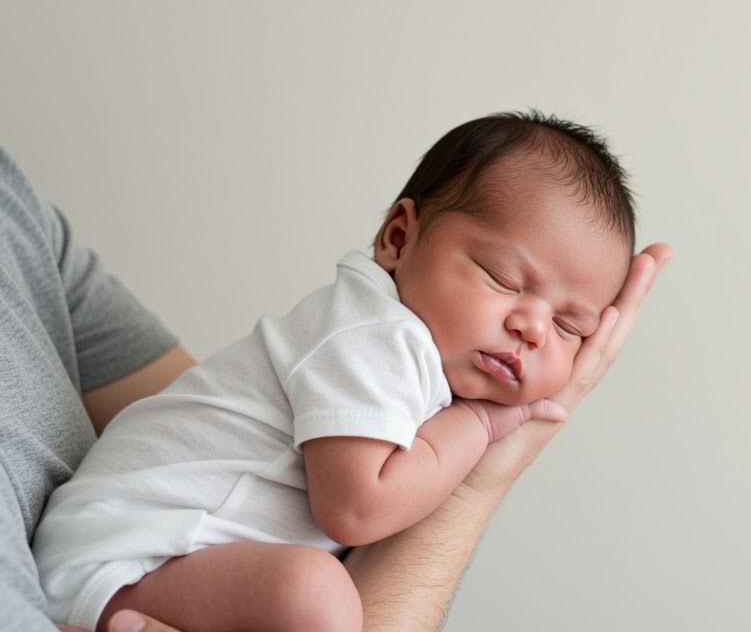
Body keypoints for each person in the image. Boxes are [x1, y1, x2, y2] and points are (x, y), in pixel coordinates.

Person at [2, 115, 669, 632]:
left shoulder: (415, 351)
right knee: (317, 591)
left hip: (165, 556)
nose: (531, 326)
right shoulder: (376, 336)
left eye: (570, 327)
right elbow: (356, 508)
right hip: (121, 558)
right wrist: (483, 423)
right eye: (502, 278)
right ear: (399, 238)